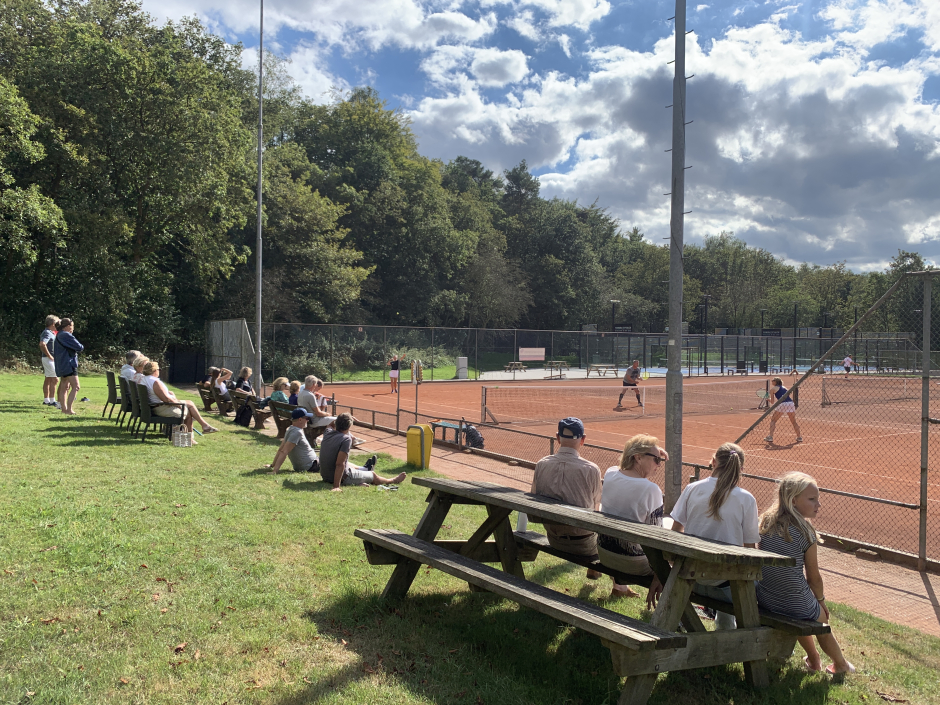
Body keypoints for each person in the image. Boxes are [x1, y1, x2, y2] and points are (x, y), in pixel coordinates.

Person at [756, 472, 855, 675]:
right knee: (819, 619)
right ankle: (841, 665)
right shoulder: (805, 532)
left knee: (800, 610)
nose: (818, 504)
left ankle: (813, 658)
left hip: (765, 598)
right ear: (793, 501)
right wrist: (821, 601)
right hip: (793, 603)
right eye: (812, 499)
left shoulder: (765, 522)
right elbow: (814, 578)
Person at [663, 442, 759, 628]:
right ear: (741, 469)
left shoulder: (692, 488)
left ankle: (682, 620)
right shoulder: (746, 498)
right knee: (747, 578)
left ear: (713, 462)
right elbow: (750, 549)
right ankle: (726, 626)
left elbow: (675, 533)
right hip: (726, 587)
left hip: (691, 577)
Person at [530, 417, 604, 580]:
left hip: (553, 539)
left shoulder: (542, 464)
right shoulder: (591, 469)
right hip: (584, 545)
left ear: (557, 438)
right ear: (583, 439)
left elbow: (533, 496)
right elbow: (596, 508)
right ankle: (619, 586)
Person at [597, 435, 668, 598]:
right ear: (638, 457)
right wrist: (660, 572)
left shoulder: (610, 473)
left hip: (604, 554)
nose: (659, 464)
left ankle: (620, 588)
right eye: (656, 459)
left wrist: (651, 451)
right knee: (677, 563)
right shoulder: (651, 490)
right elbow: (657, 537)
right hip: (633, 564)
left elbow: (624, 473)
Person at [319, 413, 405, 491]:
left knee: (348, 464)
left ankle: (360, 477)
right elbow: (339, 464)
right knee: (373, 475)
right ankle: (392, 480)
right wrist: (336, 486)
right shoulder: (346, 439)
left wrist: (342, 418)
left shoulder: (327, 432)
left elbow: (330, 425)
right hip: (342, 478)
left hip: (325, 476)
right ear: (349, 426)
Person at [140, 360, 218, 435]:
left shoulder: (143, 379)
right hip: (160, 408)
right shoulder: (155, 381)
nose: (159, 371)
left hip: (153, 406)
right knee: (188, 411)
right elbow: (166, 399)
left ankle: (204, 426)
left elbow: (160, 394)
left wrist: (171, 395)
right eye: (158, 369)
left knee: (190, 403)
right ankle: (191, 436)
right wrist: (178, 405)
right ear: (154, 370)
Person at [266, 408, 319, 474]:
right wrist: (275, 471)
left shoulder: (290, 429)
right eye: (306, 418)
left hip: (308, 464)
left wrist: (272, 465)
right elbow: (284, 452)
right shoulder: (297, 432)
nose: (307, 420)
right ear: (300, 420)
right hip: (312, 466)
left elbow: (281, 449)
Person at [53, 318, 83, 415]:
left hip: (61, 364)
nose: (73, 328)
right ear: (67, 326)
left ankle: (64, 409)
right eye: (72, 326)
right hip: (69, 364)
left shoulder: (59, 335)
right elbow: (79, 347)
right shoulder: (66, 335)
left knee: (64, 387)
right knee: (76, 386)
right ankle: (69, 409)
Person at [765, 377, 803, 444]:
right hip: (790, 403)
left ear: (775, 382)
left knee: (773, 420)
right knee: (794, 421)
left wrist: (768, 399)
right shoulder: (784, 388)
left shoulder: (772, 389)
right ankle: (799, 437)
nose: (772, 382)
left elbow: (772, 402)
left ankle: (770, 436)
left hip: (782, 404)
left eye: (773, 380)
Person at [39, 315, 59, 406]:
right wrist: (49, 355)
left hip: (48, 359)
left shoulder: (50, 332)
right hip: (48, 359)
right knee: (55, 379)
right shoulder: (47, 332)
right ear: (53, 324)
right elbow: (42, 344)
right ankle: (52, 400)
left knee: (48, 378)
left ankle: (46, 400)